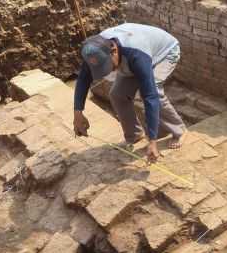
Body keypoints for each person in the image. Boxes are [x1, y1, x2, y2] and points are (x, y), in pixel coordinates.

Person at [72, 23, 187, 163]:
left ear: (113, 51)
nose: (108, 71)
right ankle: (135, 135)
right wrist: (78, 113)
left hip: (164, 53)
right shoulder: (94, 50)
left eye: (107, 66)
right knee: (117, 94)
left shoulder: (136, 55)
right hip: (130, 60)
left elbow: (150, 96)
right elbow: (83, 78)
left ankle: (179, 130)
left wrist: (152, 141)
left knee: (154, 89)